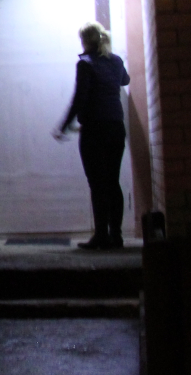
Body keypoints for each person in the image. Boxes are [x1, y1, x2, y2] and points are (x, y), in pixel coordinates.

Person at [53, 21, 130, 250]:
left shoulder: (85, 64)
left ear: (86, 41)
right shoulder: (115, 60)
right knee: (112, 182)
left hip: (95, 131)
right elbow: (125, 80)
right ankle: (116, 236)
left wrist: (64, 125)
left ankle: (101, 236)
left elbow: (80, 98)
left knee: (97, 184)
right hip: (116, 128)